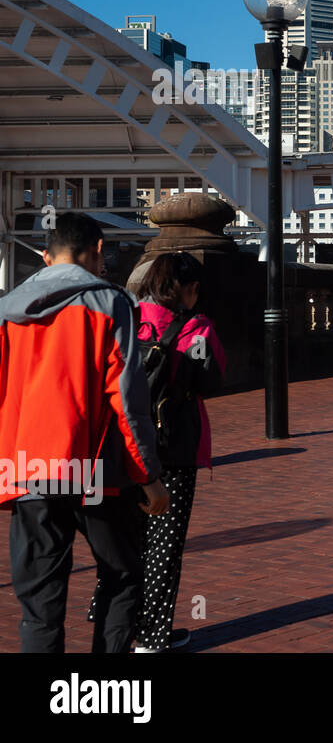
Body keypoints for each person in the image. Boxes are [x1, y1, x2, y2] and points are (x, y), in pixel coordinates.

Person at [0, 212, 169, 653]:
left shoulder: (6, 311)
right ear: (96, 252)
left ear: (45, 255)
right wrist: (147, 475)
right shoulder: (110, 304)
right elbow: (129, 401)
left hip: (28, 469)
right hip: (93, 469)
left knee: (39, 599)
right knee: (121, 575)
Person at [130, 252, 226, 652]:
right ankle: (152, 637)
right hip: (174, 445)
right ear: (189, 289)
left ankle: (118, 623)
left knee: (126, 540)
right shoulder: (196, 329)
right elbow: (212, 380)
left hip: (125, 446)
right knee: (164, 544)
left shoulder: (128, 318)